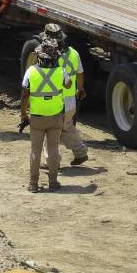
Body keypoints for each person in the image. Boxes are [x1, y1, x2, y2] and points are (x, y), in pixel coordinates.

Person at [21, 41, 67, 192]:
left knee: (36, 150)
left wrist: (23, 114)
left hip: (37, 117)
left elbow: (24, 95)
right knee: (53, 149)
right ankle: (53, 182)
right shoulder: (61, 71)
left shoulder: (31, 71)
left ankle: (33, 184)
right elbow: (68, 84)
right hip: (55, 116)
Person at [41, 23, 89, 166]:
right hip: (70, 102)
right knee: (66, 128)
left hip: (55, 101)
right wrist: (79, 89)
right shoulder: (74, 53)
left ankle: (51, 161)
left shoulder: (48, 56)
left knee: (49, 131)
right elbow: (80, 73)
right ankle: (81, 152)